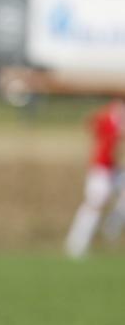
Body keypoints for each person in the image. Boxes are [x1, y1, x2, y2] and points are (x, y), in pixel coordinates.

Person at [65, 98, 124, 259]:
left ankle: (111, 227)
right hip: (100, 169)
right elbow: (92, 123)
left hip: (112, 168)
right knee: (94, 205)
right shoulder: (107, 119)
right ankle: (77, 243)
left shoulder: (113, 120)